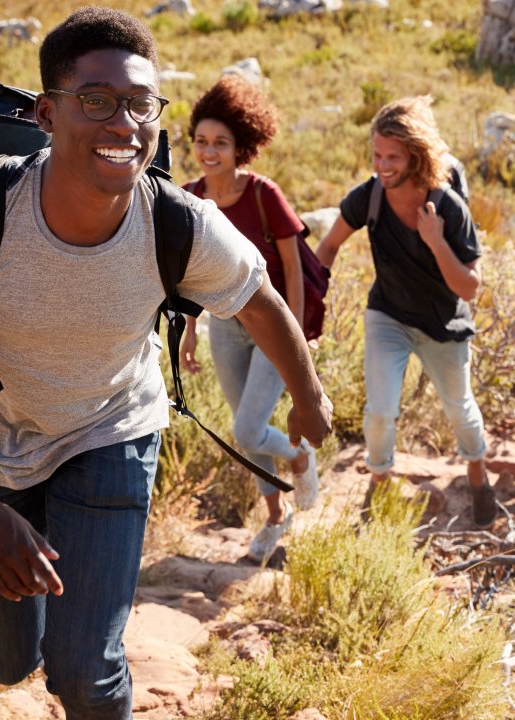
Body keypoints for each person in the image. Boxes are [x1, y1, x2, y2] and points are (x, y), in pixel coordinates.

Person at [0, 8, 332, 718]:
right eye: (96, 101)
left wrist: (308, 395)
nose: (124, 124)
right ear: (46, 113)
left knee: (86, 673)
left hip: (111, 431)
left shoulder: (177, 223)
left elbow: (259, 302)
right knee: (9, 663)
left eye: (140, 104)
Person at [316, 96, 496, 527]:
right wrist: (309, 300)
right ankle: (378, 486)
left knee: (460, 407)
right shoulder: (370, 197)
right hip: (389, 316)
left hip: (443, 326)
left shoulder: (448, 207)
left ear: (416, 155)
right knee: (380, 411)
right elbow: (329, 245)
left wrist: (435, 240)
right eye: (377, 155)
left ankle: (477, 474)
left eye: (393, 157)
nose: (382, 165)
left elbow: (470, 289)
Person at [179, 75, 319, 562]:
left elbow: (295, 274)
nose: (209, 151)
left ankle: (301, 457)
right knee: (247, 426)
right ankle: (276, 518)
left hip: (272, 327)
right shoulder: (189, 198)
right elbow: (188, 274)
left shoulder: (264, 195)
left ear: (242, 146)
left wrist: (296, 335)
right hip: (223, 326)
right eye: (201, 142)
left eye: (220, 143)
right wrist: (190, 329)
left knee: (247, 431)